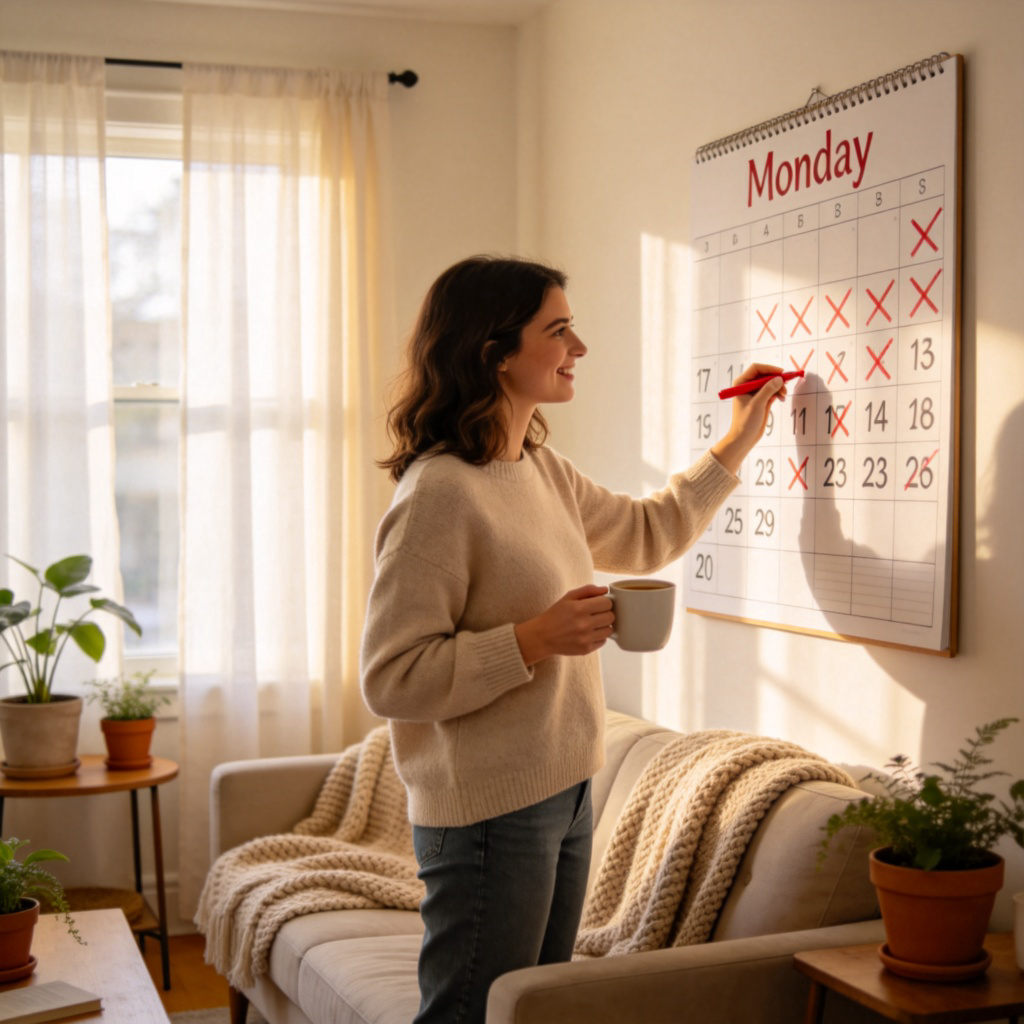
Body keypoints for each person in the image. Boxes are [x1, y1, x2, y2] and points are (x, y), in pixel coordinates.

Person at [359, 254, 787, 1024]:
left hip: (563, 787)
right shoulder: (439, 494)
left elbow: (649, 533)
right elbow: (391, 677)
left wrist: (739, 440)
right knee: (470, 1013)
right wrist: (529, 640)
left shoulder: (539, 469)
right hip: (489, 812)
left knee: (534, 1009)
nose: (579, 348)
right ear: (494, 351)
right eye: (559, 331)